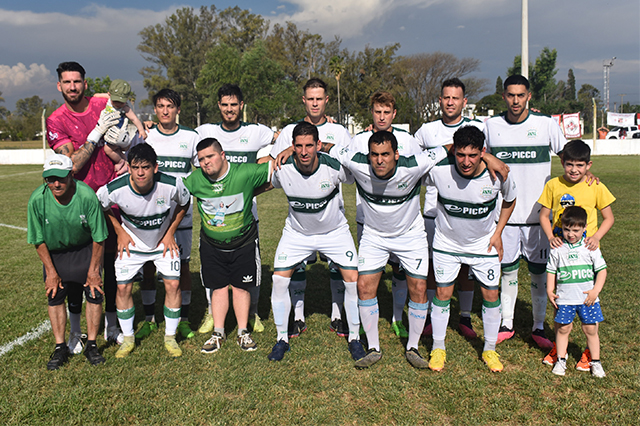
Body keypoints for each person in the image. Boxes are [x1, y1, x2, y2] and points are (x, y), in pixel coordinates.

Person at [277, 130, 451, 368]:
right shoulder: (358, 162)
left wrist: (488, 158)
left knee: (419, 288)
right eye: (375, 155)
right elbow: (326, 147)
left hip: (410, 236)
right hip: (374, 236)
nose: (380, 160)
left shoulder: (414, 165)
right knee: (363, 286)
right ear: (368, 155)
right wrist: (292, 151)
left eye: (386, 154)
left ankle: (413, 347)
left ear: (396, 154)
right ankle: (373, 347)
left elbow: (452, 149)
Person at [266, 122, 364, 362]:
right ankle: (281, 339)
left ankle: (354, 338)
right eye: (298, 146)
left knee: (352, 281)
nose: (304, 151)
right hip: (297, 234)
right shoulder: (282, 168)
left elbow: (357, 168)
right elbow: (267, 181)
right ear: (292, 147)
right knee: (278, 280)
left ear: (318, 145)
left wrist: (332, 149)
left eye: (309, 145)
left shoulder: (334, 167)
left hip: (334, 232)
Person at [483, 75, 567, 349]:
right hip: (504, 218)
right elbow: (475, 153)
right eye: (510, 95)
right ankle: (507, 323)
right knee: (507, 272)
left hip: (538, 219)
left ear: (529, 96)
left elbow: (568, 157)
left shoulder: (545, 124)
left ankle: (538, 326)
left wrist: (586, 174)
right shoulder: (491, 126)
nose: (515, 100)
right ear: (504, 96)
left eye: (521, 95)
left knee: (540, 275)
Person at [424, 126, 516, 372]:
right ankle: (438, 347)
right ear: (454, 151)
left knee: (491, 296)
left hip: (483, 245)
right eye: (461, 155)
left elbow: (510, 200)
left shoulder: (499, 174)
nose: (466, 162)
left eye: (473, 155)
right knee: (443, 294)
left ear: (482, 153)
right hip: (447, 245)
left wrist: (497, 233)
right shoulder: (439, 170)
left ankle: (489, 350)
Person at [46, 61, 124, 351]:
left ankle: (112, 324)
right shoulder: (56, 120)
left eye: (77, 81)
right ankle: (76, 331)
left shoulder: (102, 104)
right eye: (67, 82)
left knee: (112, 264)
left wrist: (128, 146)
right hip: (77, 200)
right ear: (59, 86)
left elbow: (125, 106)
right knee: (79, 270)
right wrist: (94, 136)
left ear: (85, 83)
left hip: (112, 197)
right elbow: (71, 165)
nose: (72, 87)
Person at [270, 77, 353, 339]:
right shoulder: (288, 131)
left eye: (320, 98)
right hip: (302, 212)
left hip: (331, 209)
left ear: (326, 100)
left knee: (335, 266)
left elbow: (350, 162)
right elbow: (274, 162)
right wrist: (286, 150)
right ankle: (298, 315)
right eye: (310, 99)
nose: (315, 103)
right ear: (303, 101)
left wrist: (326, 148)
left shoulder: (339, 131)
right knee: (299, 266)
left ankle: (338, 313)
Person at [96, 143, 190, 358]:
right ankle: (128, 339)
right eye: (136, 167)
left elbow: (185, 202)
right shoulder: (114, 188)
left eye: (145, 167)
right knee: (123, 289)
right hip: (133, 243)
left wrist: (169, 232)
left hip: (162, 242)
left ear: (155, 168)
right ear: (128, 167)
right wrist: (119, 231)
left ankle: (170, 337)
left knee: (173, 284)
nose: (140, 172)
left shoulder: (171, 184)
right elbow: (102, 205)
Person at [195, 84, 274, 335]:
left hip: (246, 213)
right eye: (225, 105)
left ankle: (252, 314)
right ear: (219, 106)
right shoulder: (203, 131)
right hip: (213, 212)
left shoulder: (257, 132)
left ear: (242, 106)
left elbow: (284, 139)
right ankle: (212, 311)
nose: (229, 109)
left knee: (250, 265)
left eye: (234, 105)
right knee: (213, 265)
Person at [183, 138, 273, 354]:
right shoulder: (194, 180)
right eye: (201, 159)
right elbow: (176, 196)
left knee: (242, 288)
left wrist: (286, 148)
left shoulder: (245, 173)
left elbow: (275, 167)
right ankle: (218, 332)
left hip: (243, 242)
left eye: (210, 156)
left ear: (222, 155)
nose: (206, 163)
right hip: (211, 245)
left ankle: (243, 331)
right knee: (219, 287)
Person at [414, 78, 485, 340]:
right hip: (434, 210)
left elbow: (487, 155)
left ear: (464, 102)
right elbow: (412, 159)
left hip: (468, 210)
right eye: (446, 97)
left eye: (456, 98)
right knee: (434, 266)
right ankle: (435, 315)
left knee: (466, 266)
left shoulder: (477, 127)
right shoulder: (426, 131)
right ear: (440, 100)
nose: (450, 102)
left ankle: (464, 316)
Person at [537, 139, 615, 370]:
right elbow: (543, 215)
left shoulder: (595, 185)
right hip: (561, 251)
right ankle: (559, 345)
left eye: (580, 165)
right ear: (562, 162)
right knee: (560, 298)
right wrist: (551, 236)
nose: (574, 170)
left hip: (586, 252)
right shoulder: (553, 185)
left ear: (588, 165)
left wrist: (597, 237)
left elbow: (609, 217)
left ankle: (591, 352)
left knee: (589, 298)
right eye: (569, 164)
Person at [349, 91, 420, 339]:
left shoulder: (407, 140)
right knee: (370, 273)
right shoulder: (358, 140)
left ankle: (396, 317)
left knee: (400, 270)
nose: (381, 117)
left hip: (400, 219)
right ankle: (369, 321)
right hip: (368, 219)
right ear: (372, 112)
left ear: (394, 114)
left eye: (386, 112)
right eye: (377, 112)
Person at [27, 154, 108, 369]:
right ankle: (60, 346)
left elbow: (99, 236)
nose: (55, 183)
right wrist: (51, 272)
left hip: (84, 249)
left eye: (60, 178)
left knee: (94, 292)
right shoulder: (37, 200)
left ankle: (91, 344)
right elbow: (38, 239)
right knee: (54, 295)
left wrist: (93, 271)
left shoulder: (86, 195)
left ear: (71, 175)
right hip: (55, 253)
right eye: (50, 179)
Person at [135, 89, 200, 342]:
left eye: (170, 106)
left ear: (178, 110)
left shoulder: (190, 136)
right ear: (155, 110)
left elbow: (199, 169)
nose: (165, 111)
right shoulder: (146, 135)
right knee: (149, 265)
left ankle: (183, 320)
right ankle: (150, 318)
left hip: (181, 215)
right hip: (151, 213)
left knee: (183, 265)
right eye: (160, 106)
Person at [545, 206, 607, 378]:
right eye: (566, 230)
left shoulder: (590, 247)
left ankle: (596, 362)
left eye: (576, 230)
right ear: (562, 228)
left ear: (584, 228)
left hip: (587, 299)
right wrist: (550, 290)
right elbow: (551, 271)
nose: (571, 234)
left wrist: (596, 291)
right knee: (563, 329)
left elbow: (602, 271)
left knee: (591, 330)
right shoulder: (557, 248)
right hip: (564, 299)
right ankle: (561, 360)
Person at [95, 79, 148, 175]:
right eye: (116, 101)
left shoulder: (125, 108)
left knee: (107, 149)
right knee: (118, 151)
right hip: (110, 132)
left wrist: (141, 130)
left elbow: (135, 119)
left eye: (121, 101)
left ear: (127, 99)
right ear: (109, 94)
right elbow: (95, 96)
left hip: (119, 135)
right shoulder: (108, 99)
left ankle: (120, 161)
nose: (118, 104)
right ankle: (126, 163)